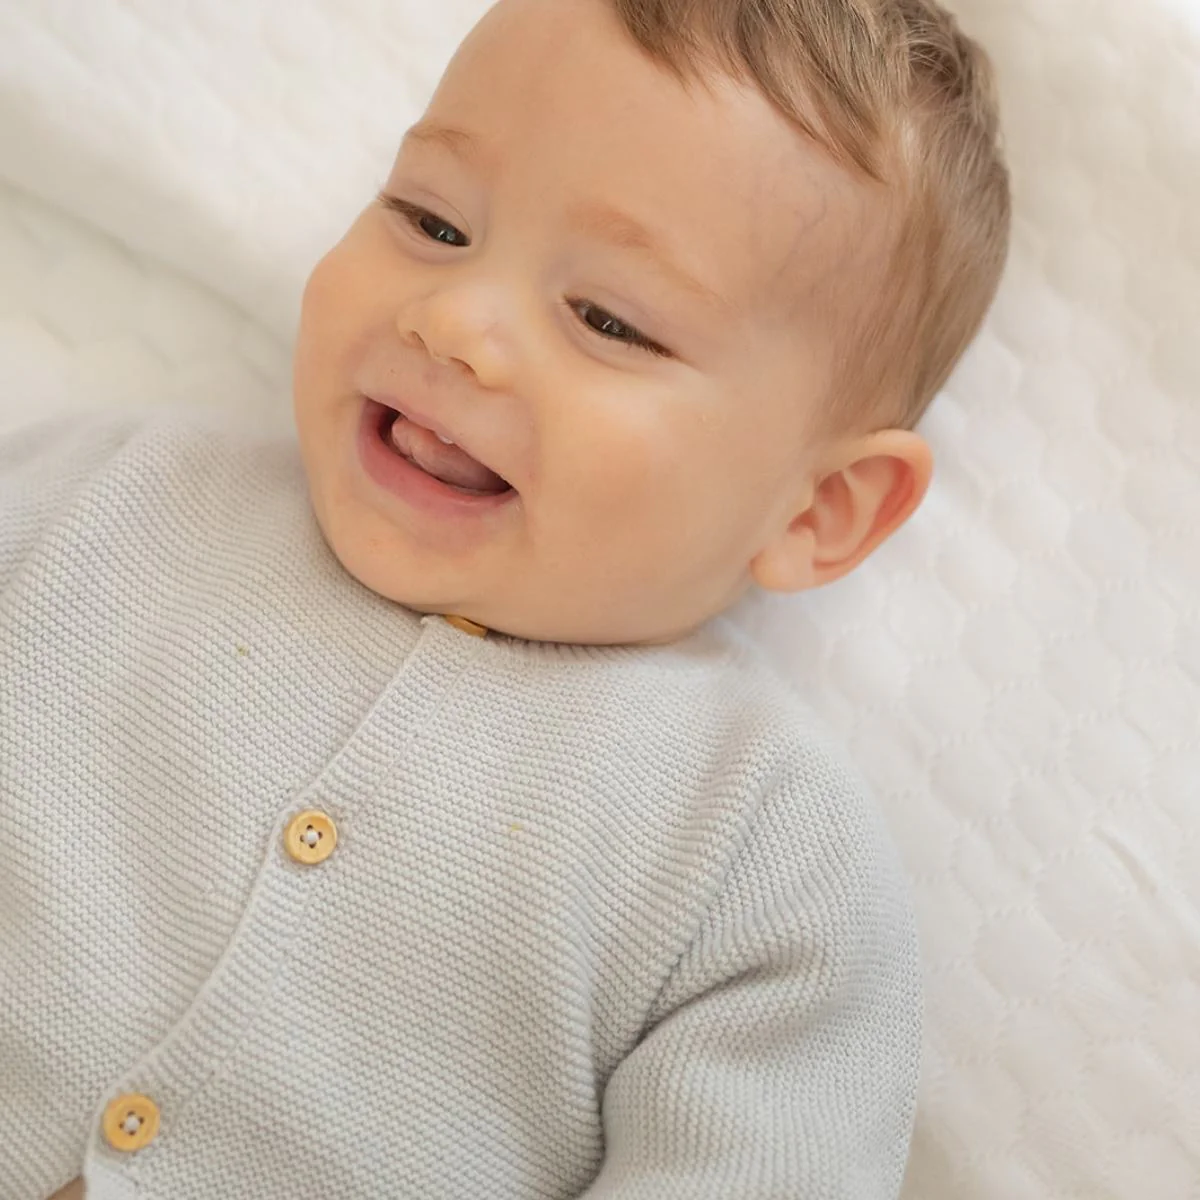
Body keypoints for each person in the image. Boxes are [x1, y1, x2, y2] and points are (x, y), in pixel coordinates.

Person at [3, 0, 1010, 1196]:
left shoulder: (761, 856)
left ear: (817, 510)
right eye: (432, 221)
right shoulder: (112, 495)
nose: (453, 322)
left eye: (607, 320)